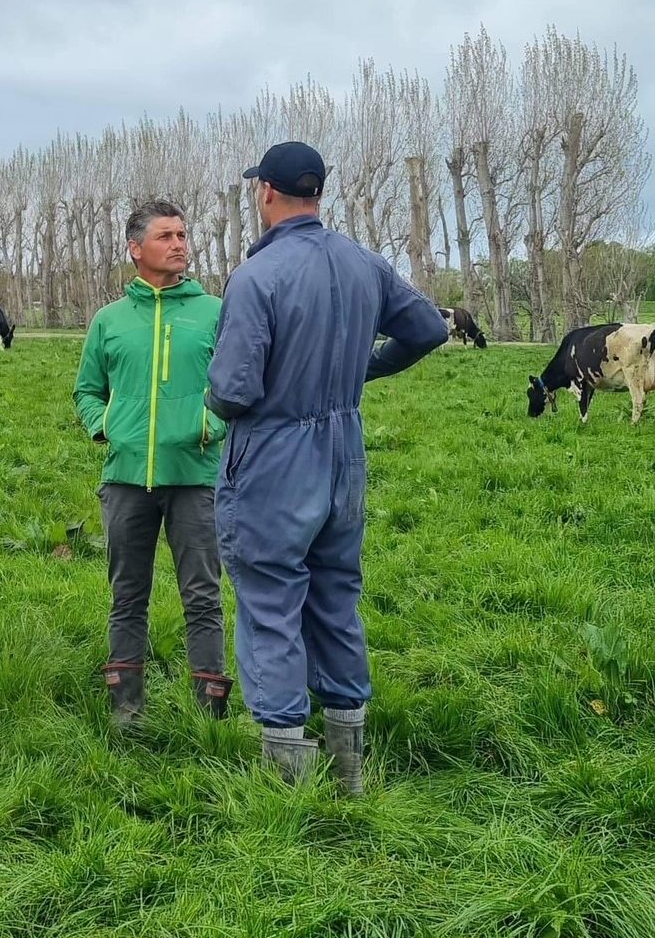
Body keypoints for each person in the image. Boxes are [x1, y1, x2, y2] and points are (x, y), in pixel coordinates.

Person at [207, 141, 448, 793]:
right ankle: (348, 769)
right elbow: (428, 328)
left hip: (276, 457)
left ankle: (288, 774)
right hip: (344, 452)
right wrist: (360, 368)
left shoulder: (258, 277)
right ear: (318, 193)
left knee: (270, 599)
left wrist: (210, 395)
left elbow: (233, 391)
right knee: (336, 597)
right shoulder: (363, 263)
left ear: (265, 193)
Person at [74, 199, 234, 728]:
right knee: (127, 593)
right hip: (125, 480)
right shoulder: (109, 320)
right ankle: (127, 707)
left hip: (196, 478)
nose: (180, 245)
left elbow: (239, 387)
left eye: (183, 236)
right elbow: (87, 390)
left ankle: (208, 711)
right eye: (166, 236)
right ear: (135, 248)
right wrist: (104, 426)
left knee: (203, 595)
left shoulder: (214, 312)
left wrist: (211, 425)